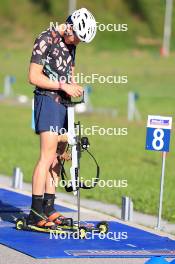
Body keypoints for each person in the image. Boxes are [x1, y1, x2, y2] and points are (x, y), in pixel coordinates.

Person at [28, 8, 97, 229]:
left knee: (59, 157)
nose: (77, 42)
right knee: (47, 157)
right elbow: (33, 76)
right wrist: (61, 85)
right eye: (77, 37)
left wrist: (72, 88)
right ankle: (34, 212)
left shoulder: (71, 44)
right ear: (70, 26)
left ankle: (49, 207)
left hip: (64, 104)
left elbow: (69, 71)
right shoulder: (45, 38)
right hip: (46, 100)